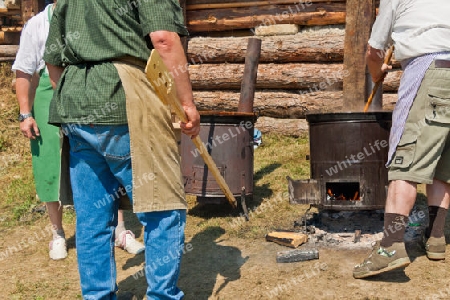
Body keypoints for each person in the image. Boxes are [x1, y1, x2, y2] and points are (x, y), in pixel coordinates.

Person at [43, 0, 200, 298]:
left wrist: (77, 101)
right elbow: (164, 39)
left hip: (75, 106)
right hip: (126, 99)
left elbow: (53, 62)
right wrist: (187, 104)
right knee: (162, 208)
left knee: (92, 220)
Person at [12, 0, 144, 260]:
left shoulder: (92, 11)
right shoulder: (37, 24)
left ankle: (120, 230)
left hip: (92, 94)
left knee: (104, 164)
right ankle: (57, 233)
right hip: (49, 96)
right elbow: (24, 70)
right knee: (49, 166)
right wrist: (25, 113)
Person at [353, 0, 450, 279]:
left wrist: (376, 72)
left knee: (404, 161)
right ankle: (436, 239)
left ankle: (390, 247)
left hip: (429, 69)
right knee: (442, 162)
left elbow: (374, 50)